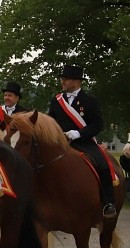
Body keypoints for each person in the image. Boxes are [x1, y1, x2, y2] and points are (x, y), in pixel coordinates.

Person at [48, 64, 117, 219]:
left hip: (84, 142)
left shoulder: (90, 101)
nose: (63, 81)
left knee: (103, 165)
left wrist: (78, 133)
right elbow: (51, 122)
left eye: (66, 79)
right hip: (61, 143)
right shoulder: (56, 101)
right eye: (62, 78)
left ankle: (108, 202)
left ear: (77, 82)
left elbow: (97, 125)